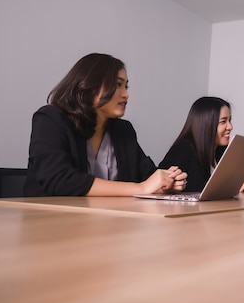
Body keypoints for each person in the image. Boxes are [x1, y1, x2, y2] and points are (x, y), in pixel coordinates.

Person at [25, 53, 187, 196]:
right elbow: (58, 179)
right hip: (52, 222)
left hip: (109, 221)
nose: (126, 94)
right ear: (89, 85)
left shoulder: (124, 130)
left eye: (126, 86)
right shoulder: (50, 118)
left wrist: (168, 181)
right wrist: (142, 188)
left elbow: (147, 176)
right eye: (117, 84)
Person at [159, 96, 244, 193]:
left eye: (229, 120)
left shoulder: (222, 151)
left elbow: (234, 181)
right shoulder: (184, 149)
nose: (230, 127)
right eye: (223, 121)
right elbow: (161, 186)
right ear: (206, 124)